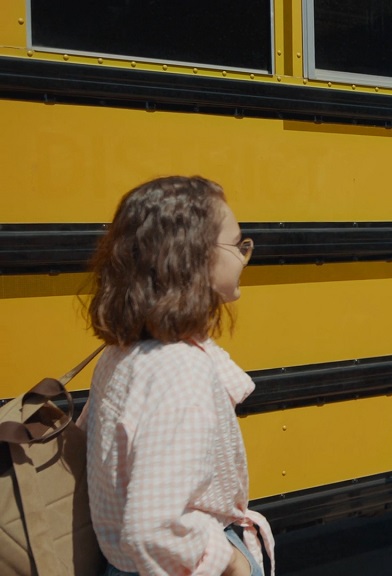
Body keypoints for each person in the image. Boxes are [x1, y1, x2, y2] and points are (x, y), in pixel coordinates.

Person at [82, 176, 274, 576]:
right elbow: (152, 527)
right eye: (238, 244)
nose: (243, 256)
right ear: (195, 258)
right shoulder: (180, 371)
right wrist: (232, 560)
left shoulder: (125, 351)